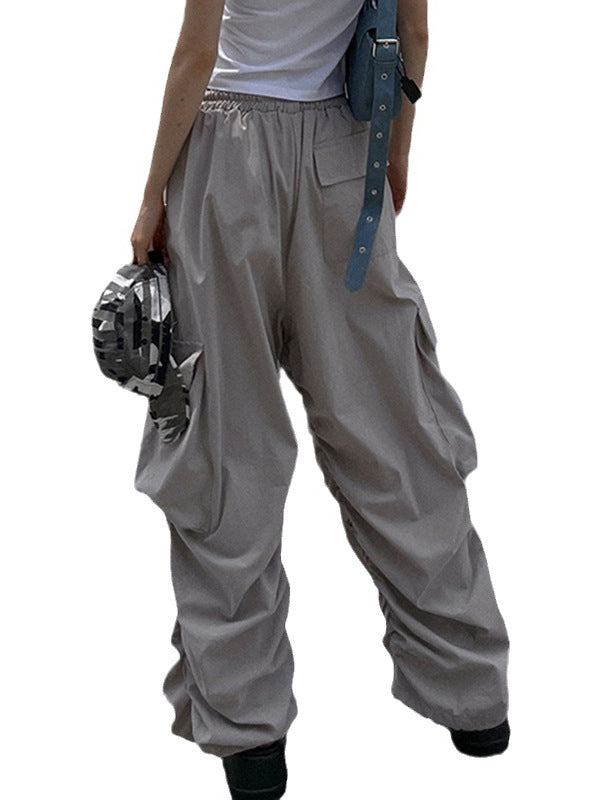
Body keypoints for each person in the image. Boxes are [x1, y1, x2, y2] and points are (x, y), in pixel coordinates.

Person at [130, 1, 511, 797]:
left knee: (224, 440)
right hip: (344, 156)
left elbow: (197, 54)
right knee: (390, 427)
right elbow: (414, 33)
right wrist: (396, 151)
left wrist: (150, 200)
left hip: (225, 163)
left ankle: (250, 736)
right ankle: (472, 695)